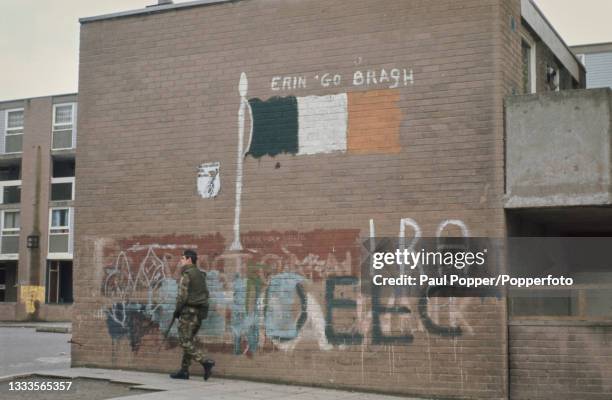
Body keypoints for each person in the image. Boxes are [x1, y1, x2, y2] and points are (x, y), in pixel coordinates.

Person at [170, 249, 215, 380]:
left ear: (189, 259)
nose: (181, 261)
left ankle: (205, 362)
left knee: (184, 341)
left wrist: (177, 311)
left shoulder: (187, 274)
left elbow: (182, 296)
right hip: (198, 314)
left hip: (188, 313)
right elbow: (206, 294)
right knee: (188, 341)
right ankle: (184, 371)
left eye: (182, 258)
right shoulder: (201, 274)